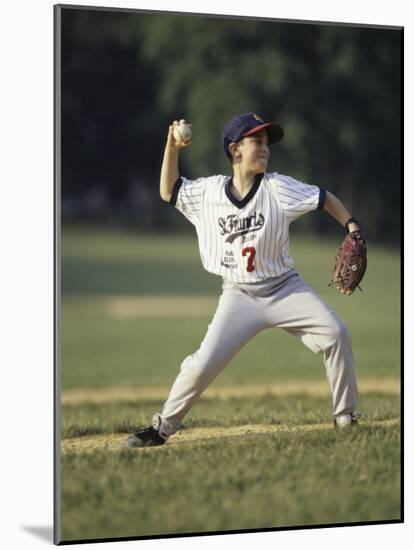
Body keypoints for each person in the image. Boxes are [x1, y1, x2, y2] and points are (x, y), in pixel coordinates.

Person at [127, 112, 363, 448]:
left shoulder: (278, 188)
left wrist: (352, 226)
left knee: (336, 333)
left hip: (285, 288)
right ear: (236, 149)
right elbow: (170, 190)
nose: (265, 147)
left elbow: (324, 198)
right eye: (257, 141)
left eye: (267, 142)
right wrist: (172, 147)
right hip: (239, 296)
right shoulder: (209, 193)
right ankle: (162, 427)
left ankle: (345, 418)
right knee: (202, 364)